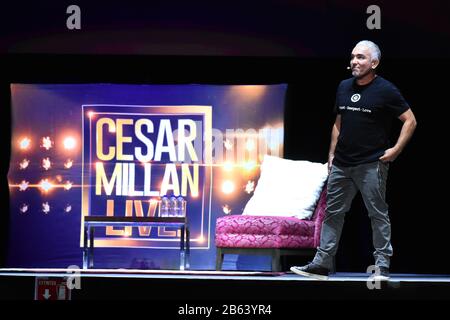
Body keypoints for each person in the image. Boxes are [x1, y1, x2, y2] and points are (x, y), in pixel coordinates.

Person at [290, 40, 417, 280]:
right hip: (342, 163)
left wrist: (396, 150)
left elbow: (410, 120)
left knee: (377, 213)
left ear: (374, 63)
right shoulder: (343, 86)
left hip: (371, 163)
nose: (354, 62)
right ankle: (321, 265)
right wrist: (331, 154)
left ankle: (381, 265)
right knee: (333, 214)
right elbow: (339, 122)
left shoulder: (386, 90)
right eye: (352, 57)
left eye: (360, 57)